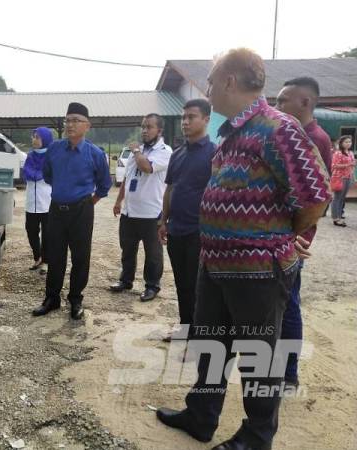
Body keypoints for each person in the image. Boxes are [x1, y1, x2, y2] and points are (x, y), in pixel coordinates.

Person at [156, 48, 330, 450]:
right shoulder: (232, 132)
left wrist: (281, 236)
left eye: (212, 81)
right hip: (216, 263)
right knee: (211, 343)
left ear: (230, 82)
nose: (210, 90)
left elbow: (315, 196)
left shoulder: (277, 128)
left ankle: (256, 437)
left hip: (258, 271)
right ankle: (201, 416)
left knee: (258, 357)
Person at [275, 76, 333, 387]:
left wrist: (298, 235)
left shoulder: (315, 138)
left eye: (284, 101)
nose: (277, 106)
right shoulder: (293, 134)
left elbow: (318, 198)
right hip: (283, 234)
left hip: (294, 239)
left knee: (288, 304)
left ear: (306, 102)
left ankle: (289, 374)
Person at [32, 102, 112, 320]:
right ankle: (52, 298)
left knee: (80, 257)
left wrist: (88, 202)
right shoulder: (55, 149)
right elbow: (48, 175)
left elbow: (105, 184)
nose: (70, 124)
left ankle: (76, 299)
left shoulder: (95, 154)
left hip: (82, 211)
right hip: (57, 209)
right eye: (67, 120)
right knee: (55, 255)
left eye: (76, 120)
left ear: (87, 125)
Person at [158, 99, 215, 342]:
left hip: (199, 232)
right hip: (176, 230)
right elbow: (170, 189)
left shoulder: (214, 154)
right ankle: (185, 329)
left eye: (192, 117)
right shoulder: (177, 154)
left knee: (198, 287)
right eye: (183, 118)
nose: (185, 122)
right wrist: (163, 221)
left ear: (206, 120)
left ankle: (199, 336)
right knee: (182, 283)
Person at [110, 114, 172, 302]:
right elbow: (128, 178)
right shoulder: (137, 151)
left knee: (153, 253)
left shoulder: (164, 151)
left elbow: (146, 167)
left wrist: (136, 151)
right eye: (143, 127)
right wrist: (119, 201)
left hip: (151, 213)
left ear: (159, 131)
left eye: (149, 127)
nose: (144, 130)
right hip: (130, 212)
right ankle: (126, 280)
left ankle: (152, 286)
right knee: (127, 249)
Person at [23, 127, 53, 274]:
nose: (34, 139)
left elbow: (47, 174)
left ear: (45, 140)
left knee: (48, 233)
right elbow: (26, 172)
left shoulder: (51, 157)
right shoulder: (29, 156)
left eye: (37, 137)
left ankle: (46, 261)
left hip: (47, 202)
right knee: (31, 230)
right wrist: (36, 174)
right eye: (33, 136)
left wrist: (37, 174)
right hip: (31, 203)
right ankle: (38, 257)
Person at [330, 135, 355, 227]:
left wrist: (352, 176)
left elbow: (352, 165)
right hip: (339, 177)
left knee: (342, 198)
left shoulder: (351, 153)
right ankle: (335, 218)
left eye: (350, 142)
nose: (348, 143)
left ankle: (339, 215)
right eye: (346, 142)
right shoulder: (338, 153)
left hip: (348, 177)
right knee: (337, 198)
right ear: (341, 143)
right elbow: (334, 165)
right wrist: (348, 164)